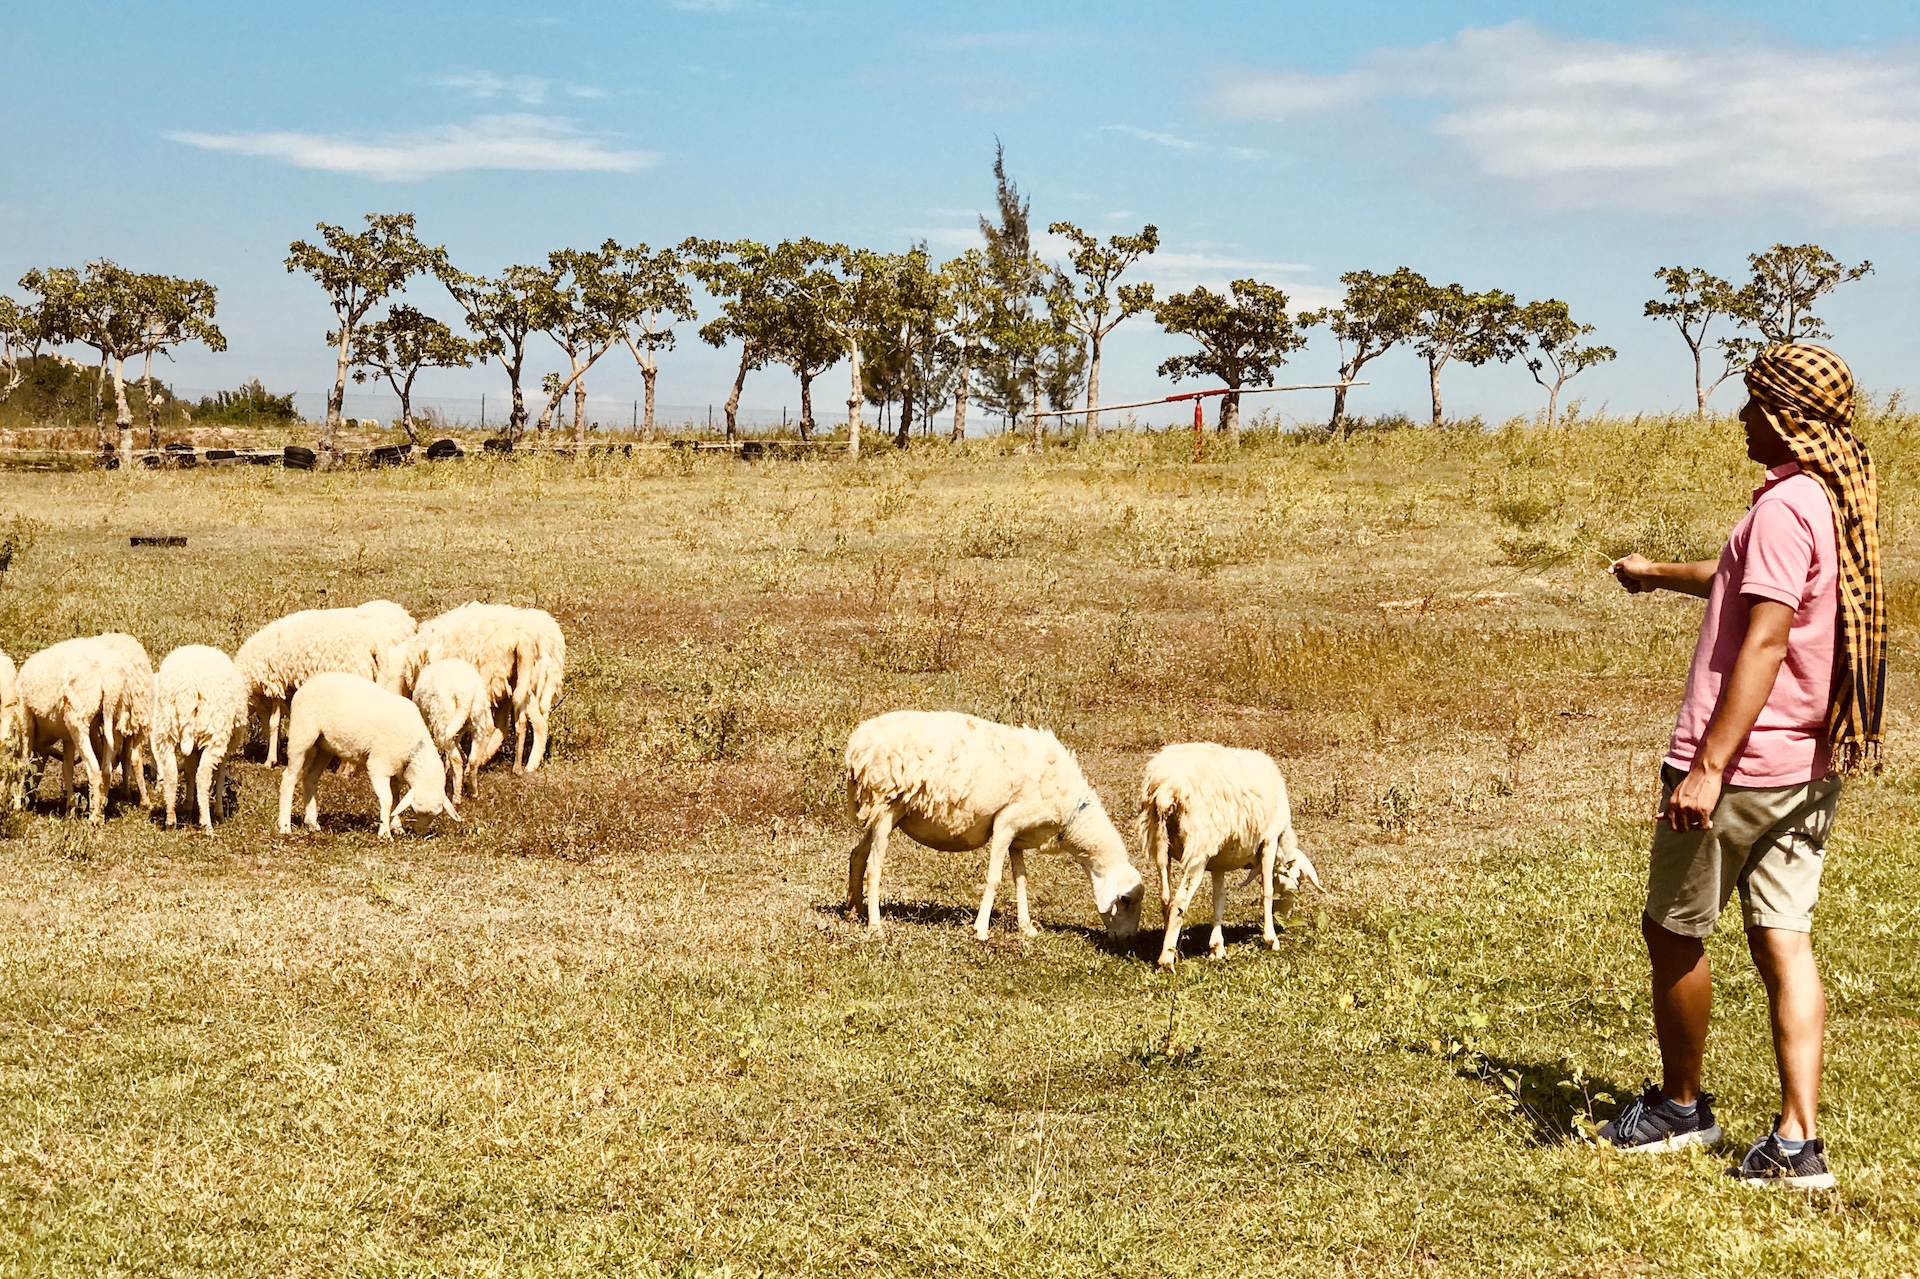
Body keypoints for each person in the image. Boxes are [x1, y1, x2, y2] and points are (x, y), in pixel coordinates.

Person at [1601, 343, 1883, 1191]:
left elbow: (1762, 639)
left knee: (1673, 928)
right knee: (1784, 938)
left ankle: (1680, 1108)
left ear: (1788, 417)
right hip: (1808, 764)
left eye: (1755, 403)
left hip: (1740, 768)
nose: (1742, 417)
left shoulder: (1779, 508)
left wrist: (1707, 768)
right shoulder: (1832, 502)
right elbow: (1752, 592)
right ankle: (1799, 1141)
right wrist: (1657, 575)